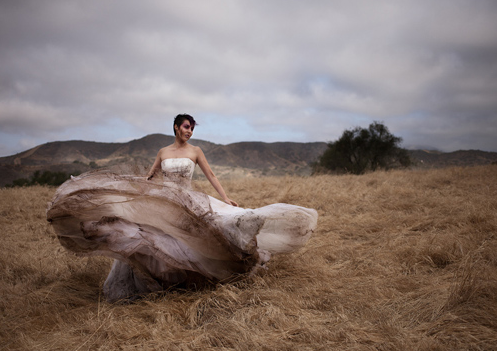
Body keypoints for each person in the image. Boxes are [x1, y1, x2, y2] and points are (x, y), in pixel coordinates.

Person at [47, 114, 317, 302]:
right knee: (159, 241)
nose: (189, 131)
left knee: (203, 236)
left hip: (189, 200)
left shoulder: (196, 151)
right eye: (186, 127)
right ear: (176, 127)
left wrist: (225, 197)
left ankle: (205, 277)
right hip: (167, 201)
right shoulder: (163, 152)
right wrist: (133, 196)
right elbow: (150, 178)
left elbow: (211, 175)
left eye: (192, 128)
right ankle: (164, 284)